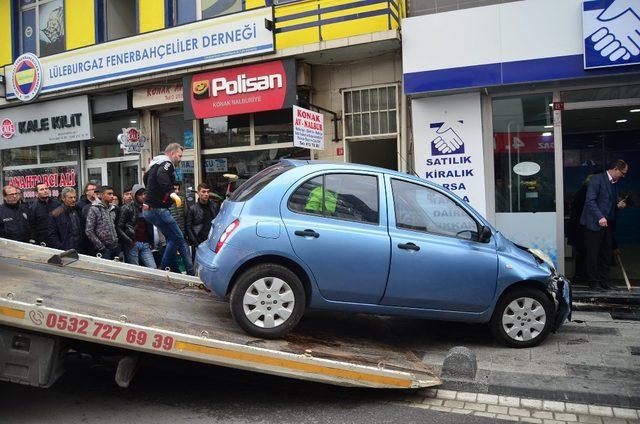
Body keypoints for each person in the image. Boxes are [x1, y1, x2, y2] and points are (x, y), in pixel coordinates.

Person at [142, 143, 194, 275]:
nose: (180, 159)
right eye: (179, 155)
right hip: (157, 210)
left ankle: (176, 268)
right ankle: (166, 266)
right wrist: (171, 193)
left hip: (150, 209)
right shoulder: (167, 164)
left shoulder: (155, 164)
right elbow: (161, 176)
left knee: (174, 238)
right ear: (172, 153)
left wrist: (150, 196)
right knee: (178, 237)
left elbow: (146, 177)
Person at [579, 160, 629, 291]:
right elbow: (590, 201)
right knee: (592, 254)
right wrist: (600, 217)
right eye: (623, 173)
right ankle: (593, 282)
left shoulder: (614, 184)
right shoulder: (597, 179)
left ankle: (604, 281)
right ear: (616, 169)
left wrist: (618, 206)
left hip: (607, 224)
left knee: (606, 254)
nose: (623, 176)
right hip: (594, 223)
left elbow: (609, 203)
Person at [117, 184, 156, 268]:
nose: (143, 196)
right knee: (135, 269)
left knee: (153, 268)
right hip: (133, 243)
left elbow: (149, 226)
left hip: (145, 243)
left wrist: (151, 242)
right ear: (135, 196)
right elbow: (119, 227)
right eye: (140, 195)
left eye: (144, 194)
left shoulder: (147, 207)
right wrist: (129, 241)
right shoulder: (127, 208)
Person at [85, 185, 120, 260]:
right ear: (101, 195)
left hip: (115, 246)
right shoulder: (94, 209)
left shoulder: (113, 208)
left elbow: (115, 226)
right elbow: (89, 231)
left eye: (112, 194)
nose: (112, 196)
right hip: (104, 248)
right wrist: (101, 246)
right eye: (109, 194)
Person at [186, 183, 219, 259]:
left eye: (208, 192)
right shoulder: (192, 209)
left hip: (212, 241)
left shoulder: (214, 206)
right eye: (203, 192)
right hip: (199, 242)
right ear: (198, 193)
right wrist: (196, 244)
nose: (206, 194)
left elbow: (218, 223)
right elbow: (188, 227)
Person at [50, 187, 84, 252]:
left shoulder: (78, 210)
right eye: (70, 198)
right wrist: (60, 248)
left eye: (74, 197)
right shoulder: (56, 214)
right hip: (65, 250)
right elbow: (52, 235)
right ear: (63, 198)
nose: (73, 200)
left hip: (80, 249)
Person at [30, 182, 60, 247]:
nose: (45, 191)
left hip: (57, 241)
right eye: (42, 189)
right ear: (36, 193)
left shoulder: (57, 204)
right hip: (42, 243)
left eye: (46, 188)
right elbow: (32, 227)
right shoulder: (33, 208)